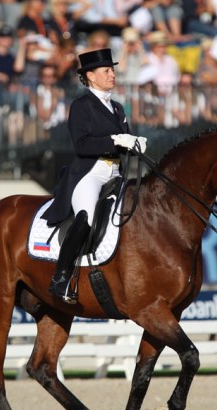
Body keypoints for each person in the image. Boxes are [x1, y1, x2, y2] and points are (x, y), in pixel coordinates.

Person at [40, 48, 147, 302]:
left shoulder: (118, 108)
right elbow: (82, 145)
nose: (112, 75)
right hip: (90, 173)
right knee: (86, 218)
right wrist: (115, 140)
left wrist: (134, 144)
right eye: (107, 71)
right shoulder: (81, 106)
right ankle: (61, 278)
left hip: (115, 173)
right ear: (90, 76)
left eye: (113, 70)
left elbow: (124, 141)